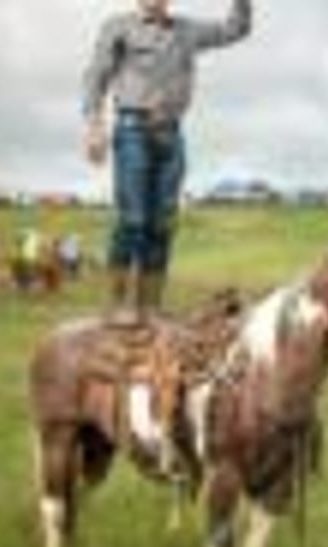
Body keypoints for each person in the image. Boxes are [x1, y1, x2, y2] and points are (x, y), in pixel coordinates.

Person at [82, 0, 252, 319]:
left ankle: (150, 308)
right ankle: (118, 304)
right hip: (133, 129)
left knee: (162, 224)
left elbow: (236, 29)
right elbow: (96, 76)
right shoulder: (118, 27)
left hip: (172, 135)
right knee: (133, 219)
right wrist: (94, 125)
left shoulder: (188, 30)